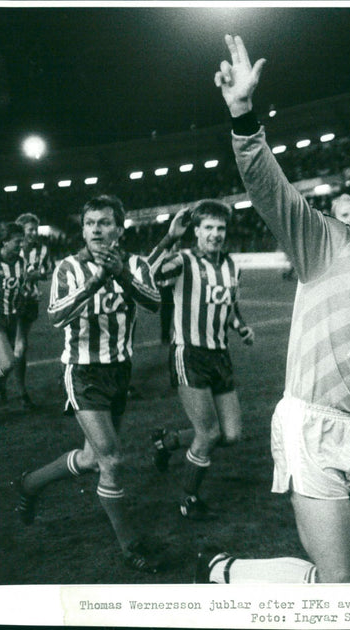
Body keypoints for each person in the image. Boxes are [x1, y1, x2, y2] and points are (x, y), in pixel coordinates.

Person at [194, 34, 350, 584]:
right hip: (311, 424)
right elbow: (268, 187)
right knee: (342, 584)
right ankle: (229, 574)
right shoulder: (324, 240)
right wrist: (242, 114)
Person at [14, 195, 162, 573]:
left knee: (93, 458)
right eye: (90, 223)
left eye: (106, 222)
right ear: (83, 230)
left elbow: (154, 303)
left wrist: (122, 275)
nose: (97, 229)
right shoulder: (68, 267)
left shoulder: (136, 263)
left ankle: (30, 483)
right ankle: (129, 544)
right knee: (112, 458)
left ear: (120, 227)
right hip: (82, 372)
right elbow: (57, 316)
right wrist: (98, 280)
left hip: (119, 372)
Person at [146, 200, 255, 521]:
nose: (216, 234)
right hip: (189, 354)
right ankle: (188, 498)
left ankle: (167, 442)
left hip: (220, 356)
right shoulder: (183, 260)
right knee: (208, 433)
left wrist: (242, 327)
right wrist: (169, 239)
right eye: (209, 228)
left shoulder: (232, 265)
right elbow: (146, 275)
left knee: (230, 434)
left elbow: (229, 304)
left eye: (221, 228)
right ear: (196, 231)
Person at [12, 213, 54, 409]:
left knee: (20, 345)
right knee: (14, 346)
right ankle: (14, 391)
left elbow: (49, 270)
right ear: (22, 231)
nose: (34, 233)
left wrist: (38, 274)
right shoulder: (12, 247)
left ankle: (15, 390)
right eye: (30, 230)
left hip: (28, 301)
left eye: (35, 230)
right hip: (8, 302)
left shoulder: (42, 249)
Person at [0, 222, 26, 405]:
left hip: (11, 319)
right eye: (17, 241)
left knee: (2, 368)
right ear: (4, 242)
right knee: (7, 363)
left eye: (22, 241)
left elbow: (20, 290)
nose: (21, 245)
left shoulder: (21, 262)